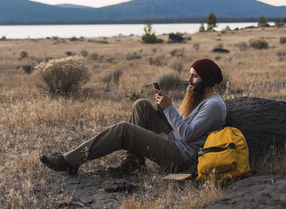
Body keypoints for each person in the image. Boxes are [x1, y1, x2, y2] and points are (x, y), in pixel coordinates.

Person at [40, 58, 227, 175]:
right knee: (142, 106)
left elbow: (187, 134)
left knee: (124, 129)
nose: (189, 80)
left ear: (207, 79)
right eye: (189, 75)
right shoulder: (205, 99)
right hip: (173, 141)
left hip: (178, 157)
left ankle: (69, 161)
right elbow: (185, 127)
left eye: (194, 76)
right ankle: (134, 161)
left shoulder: (214, 106)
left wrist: (170, 109)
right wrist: (164, 109)